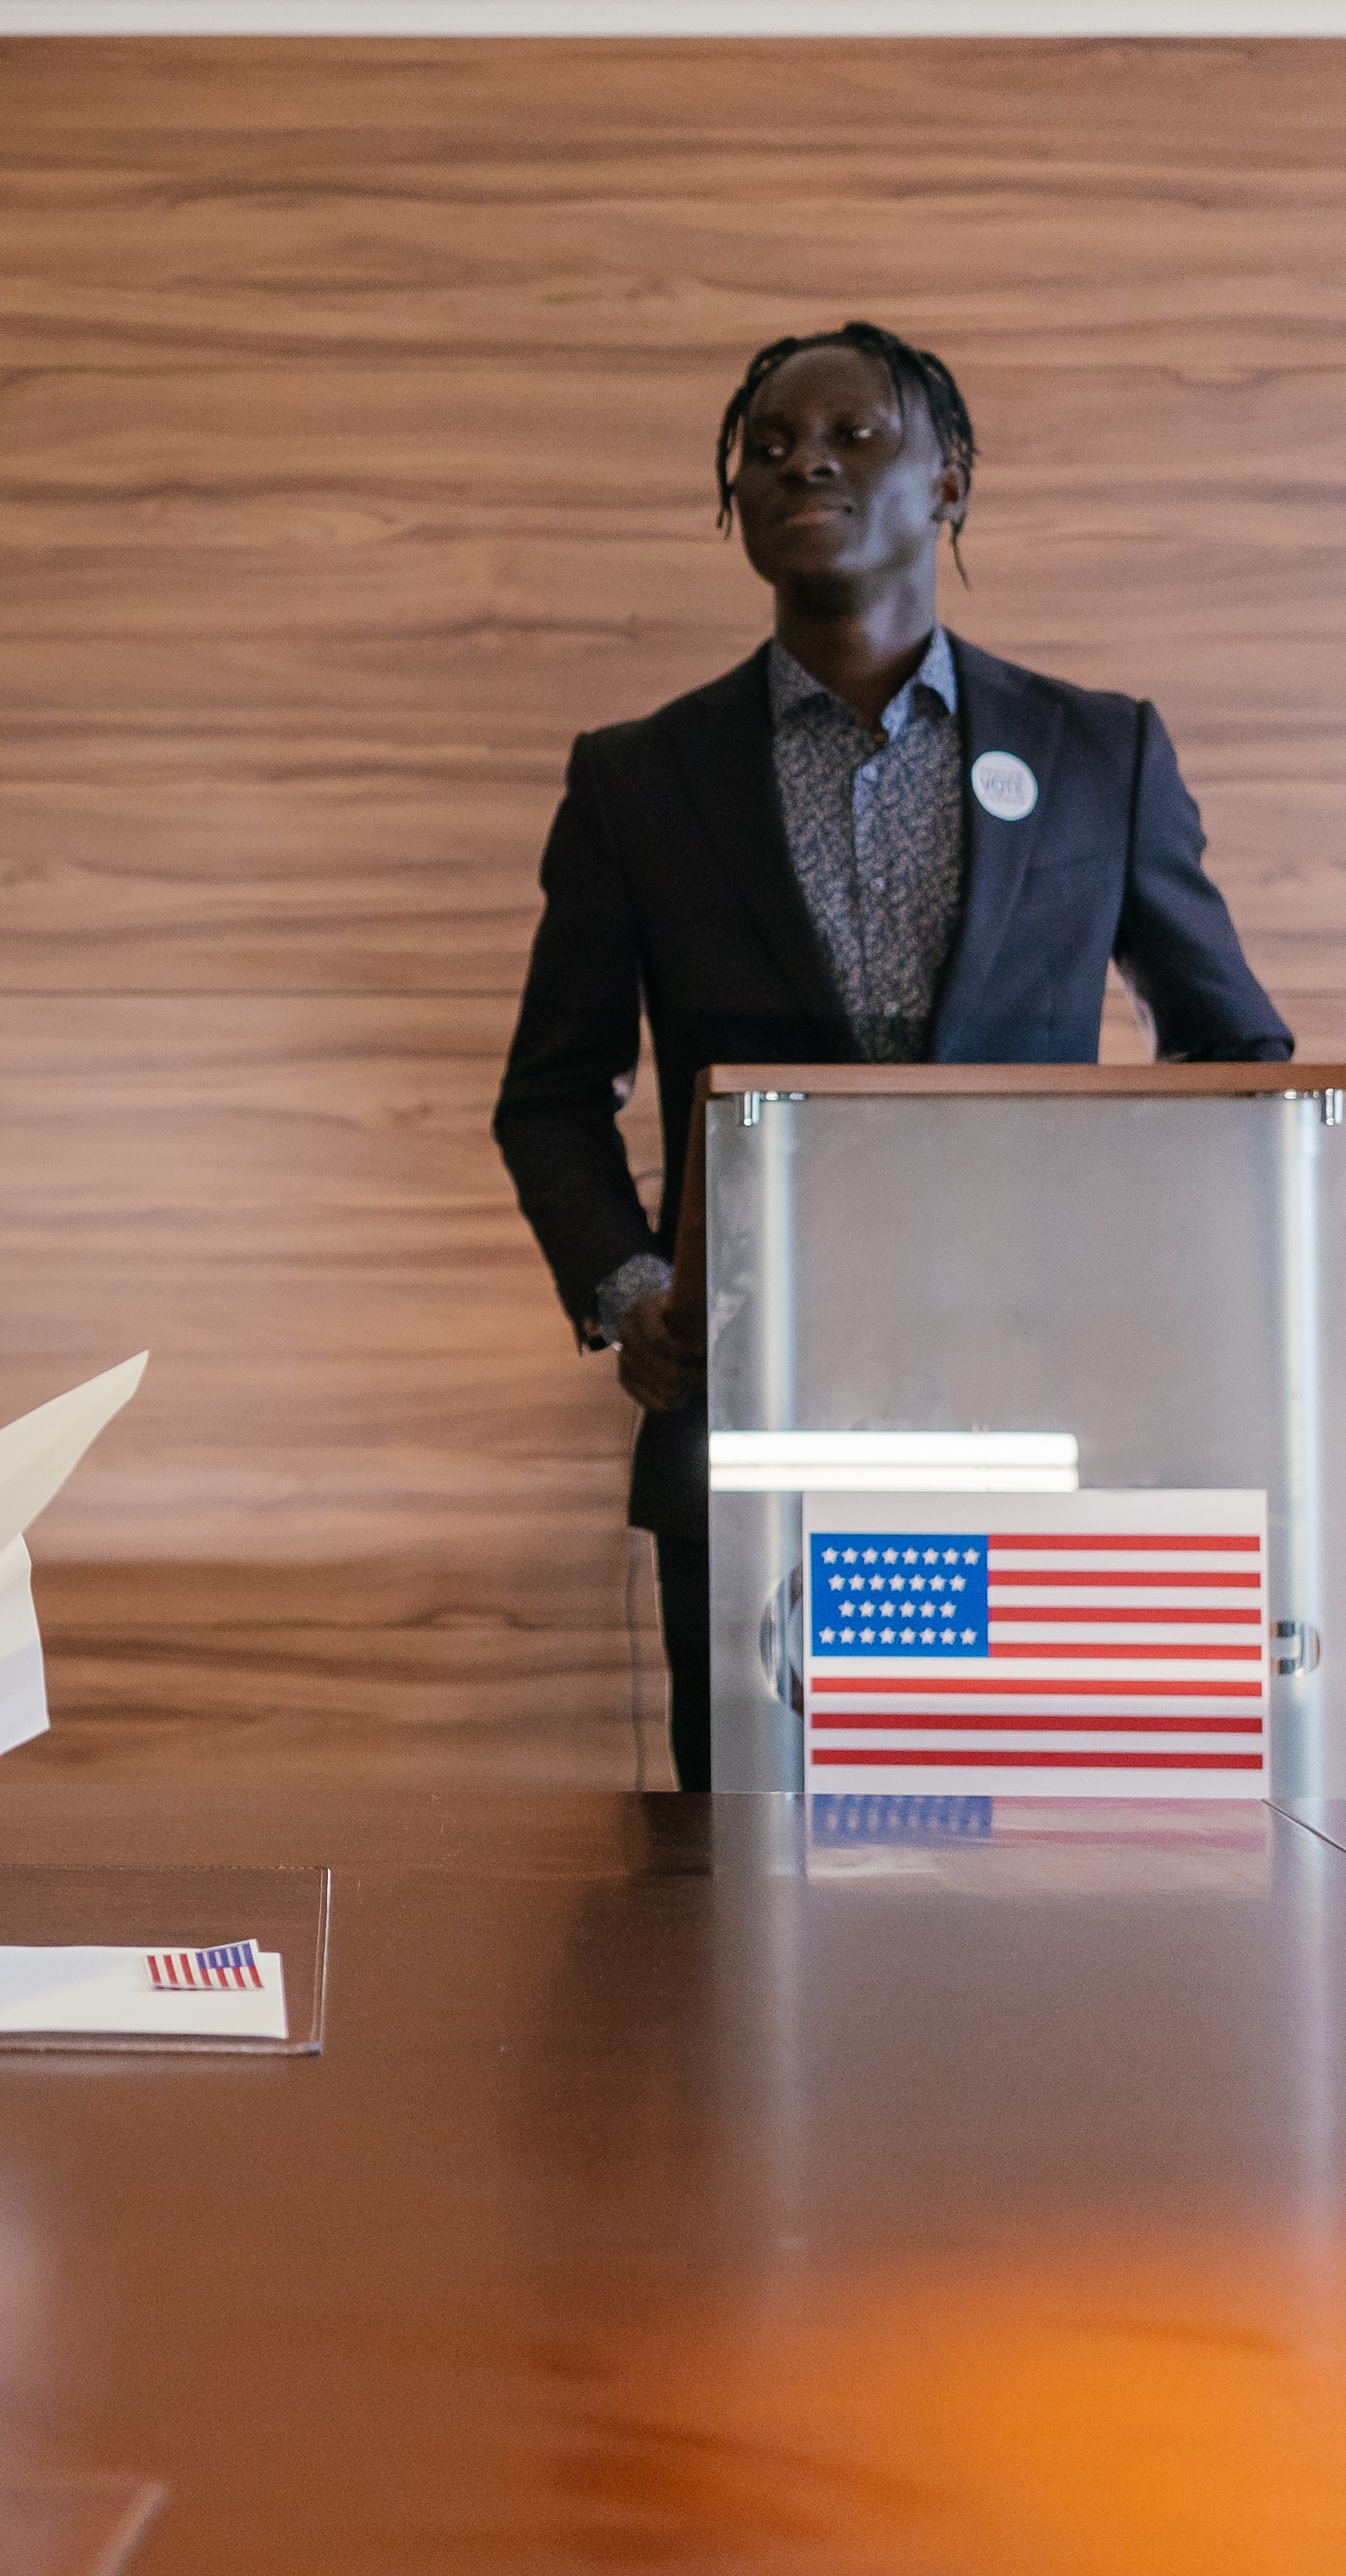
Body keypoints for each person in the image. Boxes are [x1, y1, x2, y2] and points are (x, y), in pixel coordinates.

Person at [488, 322, 1291, 1793]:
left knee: (1014, 1865)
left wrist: (1163, 1311)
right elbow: (551, 1094)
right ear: (736, 501)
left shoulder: (1100, 753)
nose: (804, 458)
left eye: (855, 435)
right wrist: (631, 1296)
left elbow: (1234, 1054)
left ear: (951, 483)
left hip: (1039, 1411)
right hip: (758, 1433)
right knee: (762, 1888)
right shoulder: (639, 778)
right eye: (770, 442)